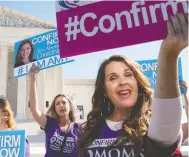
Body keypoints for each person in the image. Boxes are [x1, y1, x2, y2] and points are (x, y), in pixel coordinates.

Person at [77, 13, 187, 157]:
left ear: (138, 84)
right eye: (113, 78)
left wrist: (169, 54)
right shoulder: (88, 131)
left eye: (128, 75)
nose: (122, 82)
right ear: (104, 90)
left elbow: (166, 126)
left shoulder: (152, 124)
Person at [28, 65, 80, 157]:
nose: (61, 105)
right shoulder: (49, 124)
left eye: (64, 102)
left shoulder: (78, 128)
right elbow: (34, 110)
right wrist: (33, 81)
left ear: (70, 106)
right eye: (57, 103)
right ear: (54, 109)